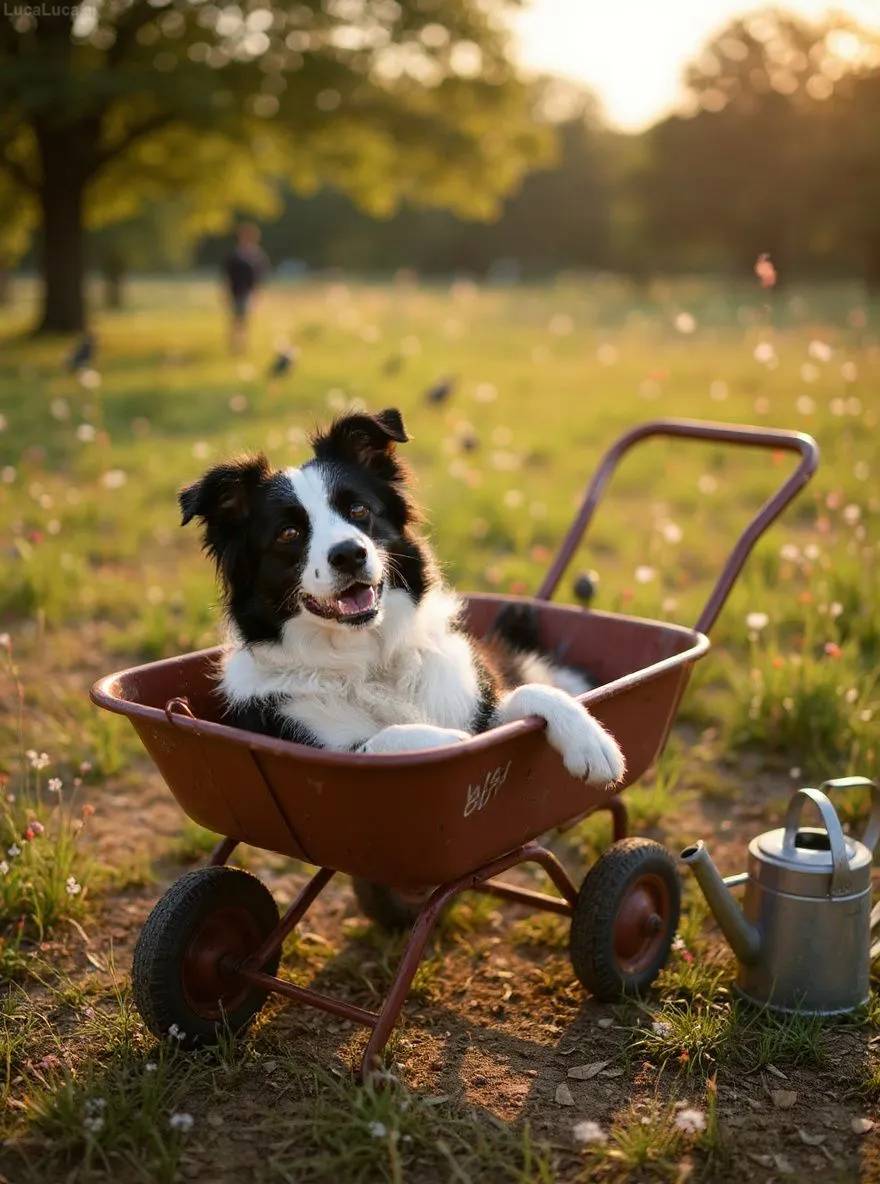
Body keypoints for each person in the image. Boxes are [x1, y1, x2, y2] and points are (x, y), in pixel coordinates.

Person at [222, 223, 268, 354]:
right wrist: (225, 292)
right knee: (236, 319)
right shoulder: (235, 255)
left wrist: (258, 293)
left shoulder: (257, 256)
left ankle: (242, 345)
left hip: (248, 292)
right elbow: (227, 275)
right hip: (235, 291)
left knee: (245, 319)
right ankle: (234, 344)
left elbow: (260, 277)